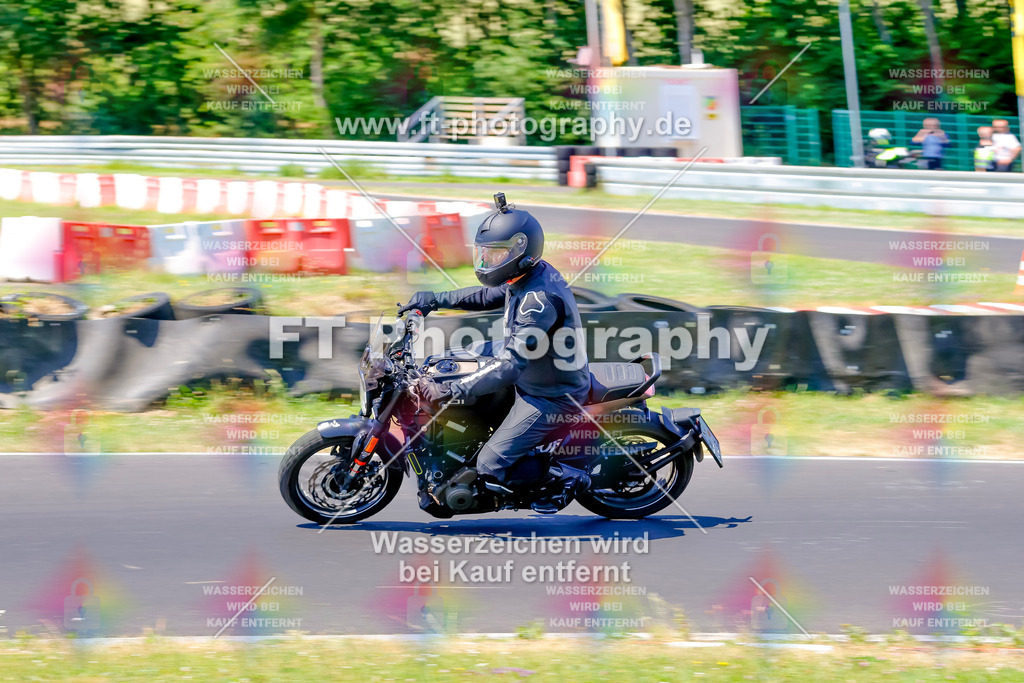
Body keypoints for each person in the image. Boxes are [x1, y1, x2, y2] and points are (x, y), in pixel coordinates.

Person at [398, 193, 592, 509]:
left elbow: (510, 365)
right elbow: (486, 296)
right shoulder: (526, 274)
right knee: (449, 360)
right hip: (533, 365)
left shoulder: (537, 302)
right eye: (484, 254)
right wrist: (436, 300)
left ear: (520, 252)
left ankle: (565, 477)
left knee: (488, 464)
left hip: (549, 394)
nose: (487, 261)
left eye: (495, 255)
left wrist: (451, 390)